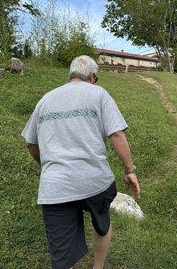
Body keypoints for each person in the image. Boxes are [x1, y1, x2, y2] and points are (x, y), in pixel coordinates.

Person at [21, 55, 140, 269]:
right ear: (92, 76)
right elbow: (117, 136)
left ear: (71, 74)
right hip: (95, 182)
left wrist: (47, 166)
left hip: (55, 185)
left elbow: (30, 143)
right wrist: (129, 169)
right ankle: (99, 266)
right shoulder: (99, 94)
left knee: (61, 254)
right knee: (101, 223)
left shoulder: (46, 99)